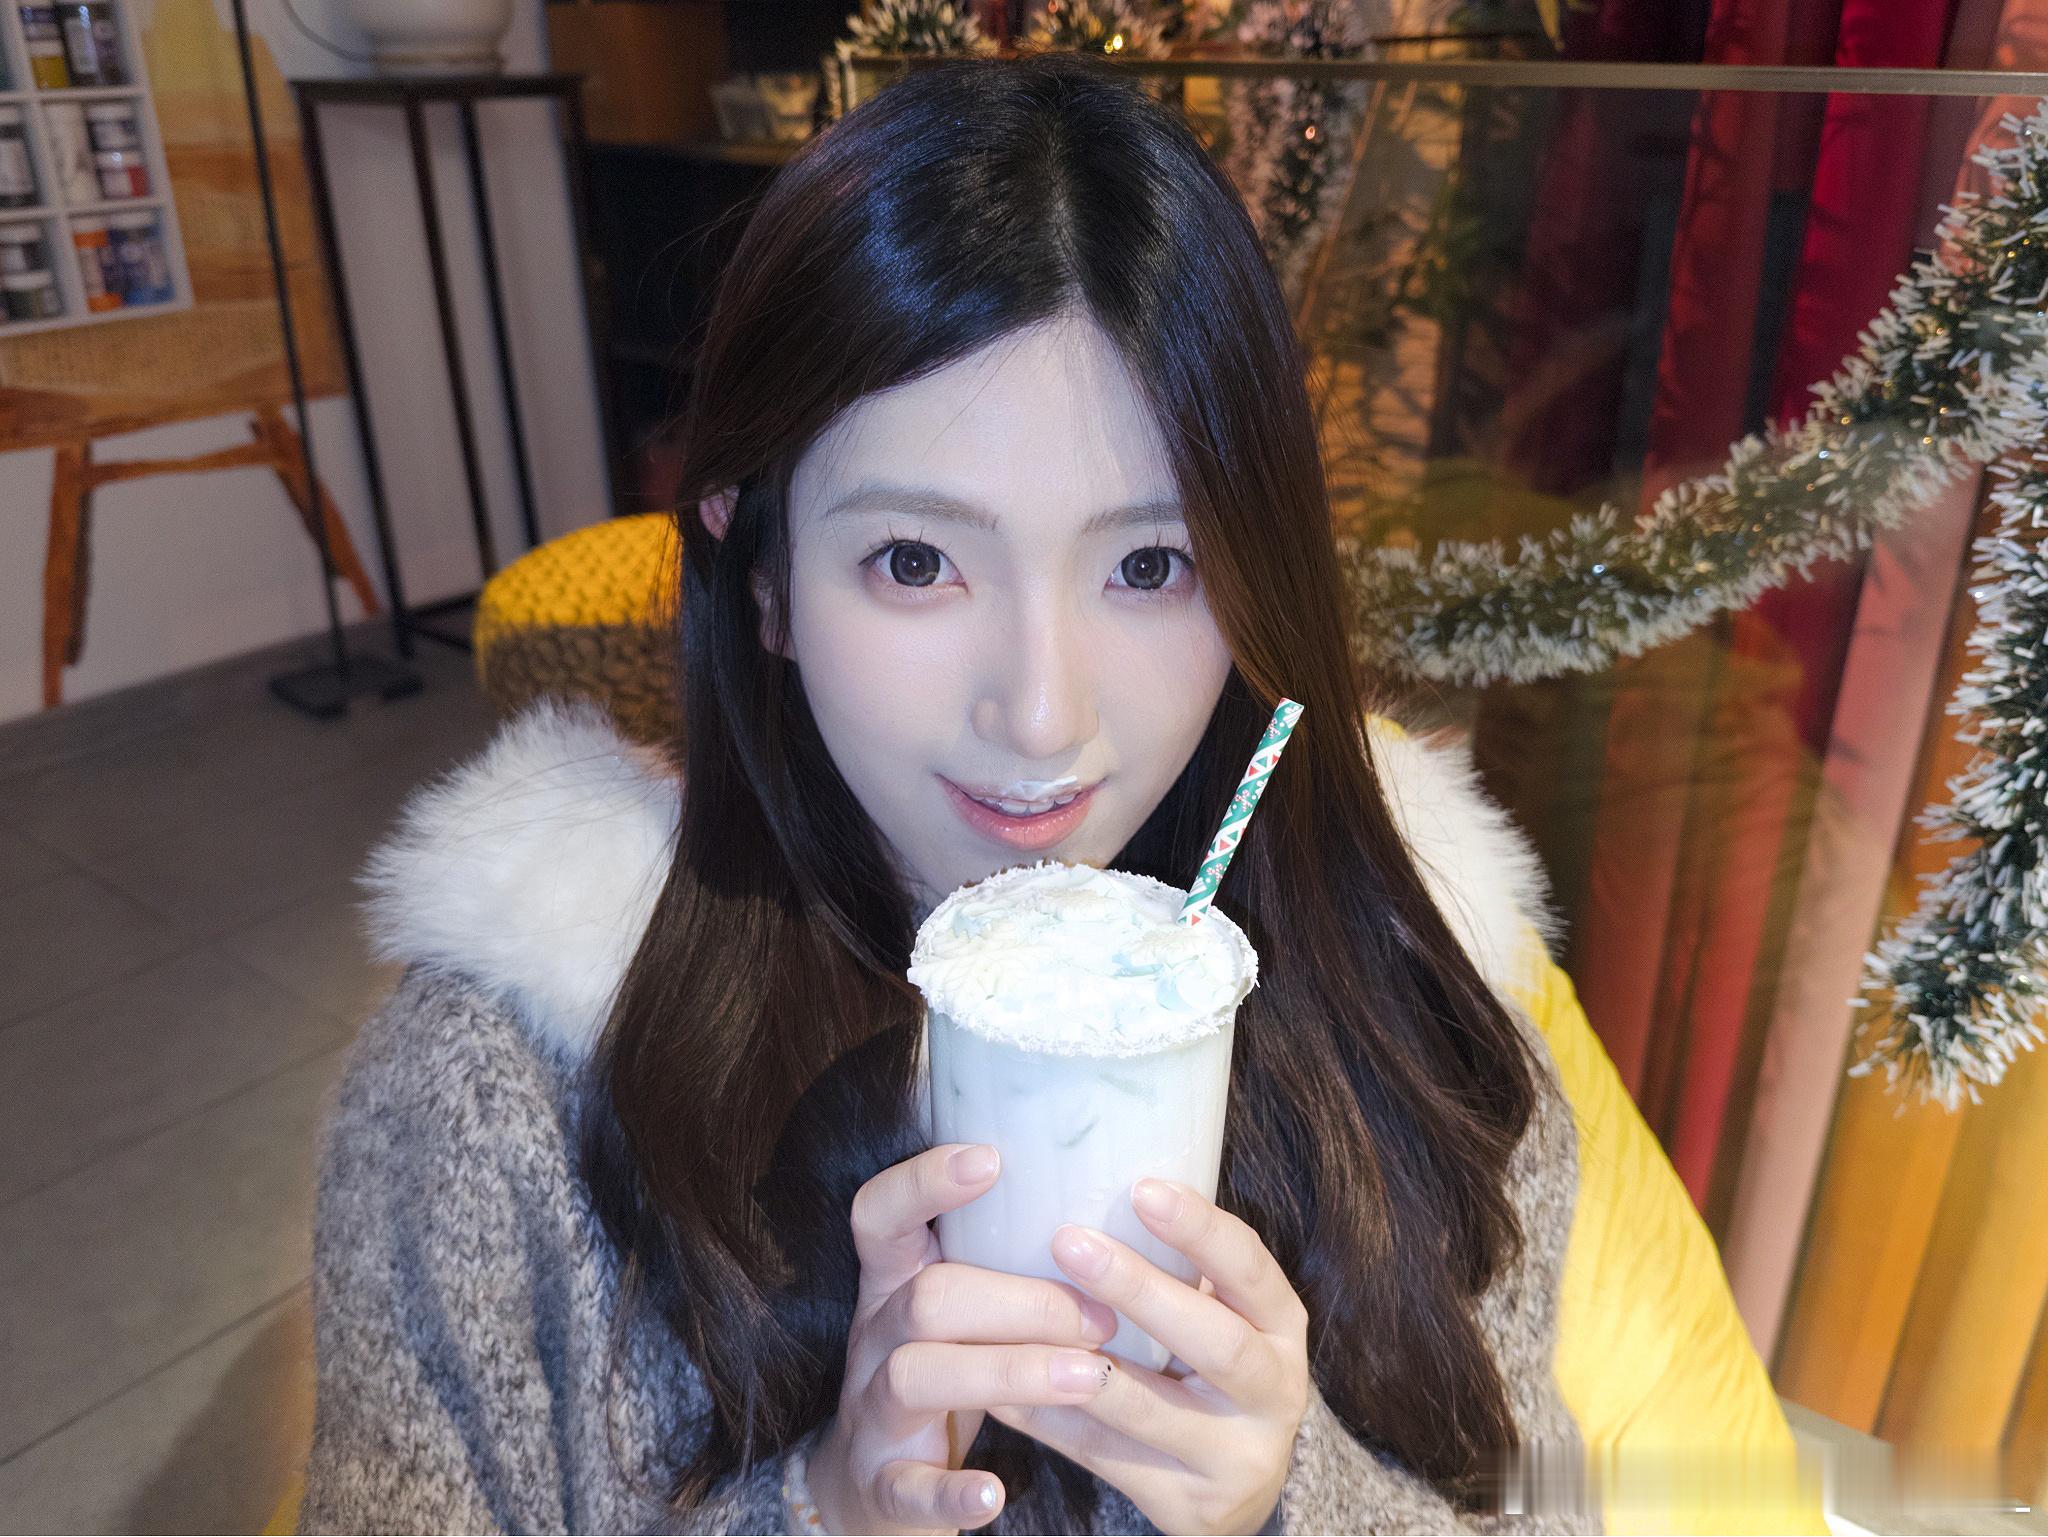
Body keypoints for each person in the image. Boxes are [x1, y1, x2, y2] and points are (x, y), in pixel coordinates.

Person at [299, 51, 1599, 1536]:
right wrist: (820, 1513)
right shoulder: (500, 1105)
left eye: (1150, 564)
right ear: (765, 574)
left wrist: (1294, 1505)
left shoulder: (1423, 1043)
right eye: (915, 561)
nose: (1040, 713)